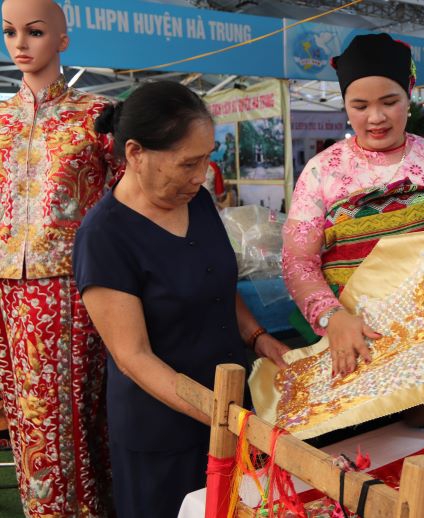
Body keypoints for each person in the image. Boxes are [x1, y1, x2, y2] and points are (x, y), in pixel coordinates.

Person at [72, 82, 290, 518]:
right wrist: (217, 413)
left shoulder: (201, 202)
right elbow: (133, 356)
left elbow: (216, 287)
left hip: (231, 409)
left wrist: (259, 339)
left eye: (207, 160)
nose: (201, 175)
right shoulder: (104, 236)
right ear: (135, 153)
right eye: (188, 163)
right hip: (164, 430)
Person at [282, 33, 424, 378]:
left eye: (389, 102)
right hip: (354, 343)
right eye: (359, 107)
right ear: (345, 104)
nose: (375, 117)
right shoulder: (323, 169)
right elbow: (297, 261)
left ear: (410, 96)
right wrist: (332, 317)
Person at [0, 1, 122, 515]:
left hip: (73, 290)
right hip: (7, 290)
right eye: (9, 32)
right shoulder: (0, 120)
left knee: (75, 414)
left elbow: (123, 199)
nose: (21, 44)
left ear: (62, 41)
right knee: (26, 420)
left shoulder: (96, 116)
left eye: (34, 31)